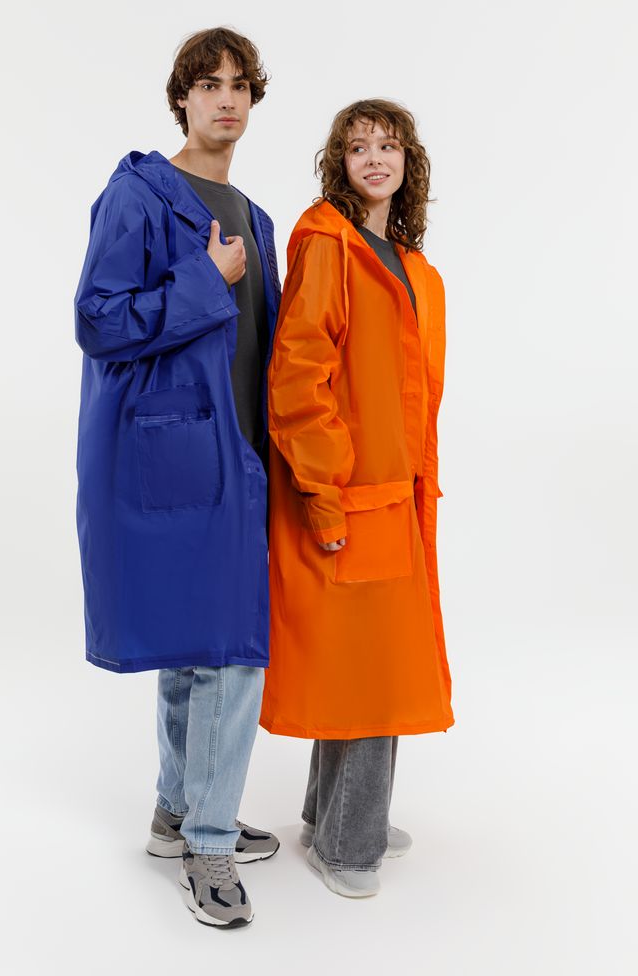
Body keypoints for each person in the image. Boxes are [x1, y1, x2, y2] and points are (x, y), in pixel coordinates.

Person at [74, 27, 281, 929]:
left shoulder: (254, 216)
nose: (226, 99)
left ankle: (175, 812)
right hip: (172, 451)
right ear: (182, 99)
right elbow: (98, 320)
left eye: (240, 85)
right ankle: (208, 846)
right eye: (209, 84)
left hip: (238, 454)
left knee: (201, 645)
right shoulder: (139, 194)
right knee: (231, 650)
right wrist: (203, 276)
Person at [260, 99, 454, 897]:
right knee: (374, 670)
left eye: (389, 145)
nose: (375, 158)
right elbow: (298, 378)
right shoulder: (328, 245)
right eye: (358, 146)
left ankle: (329, 813)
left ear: (410, 163)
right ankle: (348, 844)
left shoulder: (405, 261)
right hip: (347, 489)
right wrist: (324, 492)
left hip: (395, 493)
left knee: (366, 661)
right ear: (338, 162)